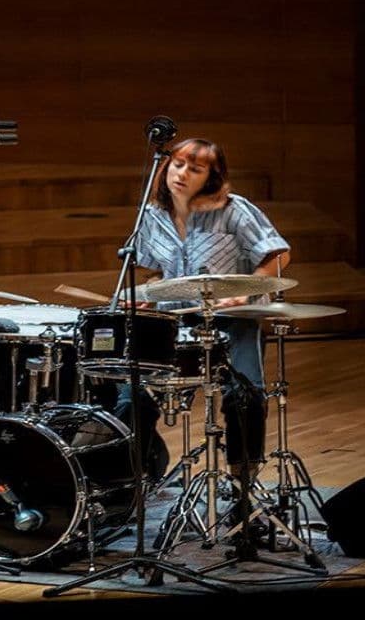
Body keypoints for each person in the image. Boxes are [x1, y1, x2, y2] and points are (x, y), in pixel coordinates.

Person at [130, 137, 290, 510]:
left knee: (244, 396)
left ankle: (243, 489)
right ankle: (137, 478)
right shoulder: (152, 215)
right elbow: (155, 271)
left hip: (232, 321)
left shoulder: (235, 210)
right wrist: (147, 294)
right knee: (130, 394)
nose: (182, 174)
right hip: (177, 323)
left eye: (195, 169)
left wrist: (248, 293)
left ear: (212, 177)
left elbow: (279, 254)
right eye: (177, 165)